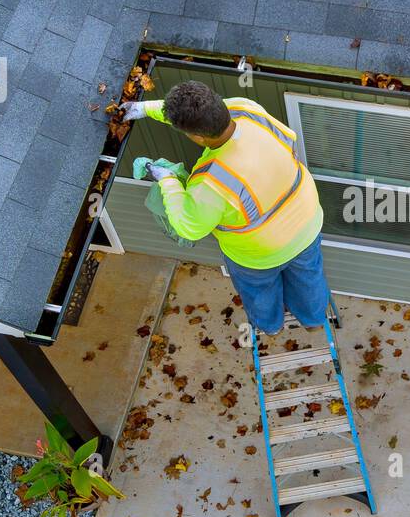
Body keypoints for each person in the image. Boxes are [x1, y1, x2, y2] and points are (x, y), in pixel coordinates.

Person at [121, 82, 327, 334]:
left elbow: (189, 227)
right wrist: (144, 108)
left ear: (198, 137)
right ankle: (314, 320)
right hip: (307, 222)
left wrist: (167, 180)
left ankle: (271, 326)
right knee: (309, 279)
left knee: (260, 291)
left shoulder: (212, 182)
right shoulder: (246, 109)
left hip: (259, 254)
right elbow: (197, 115)